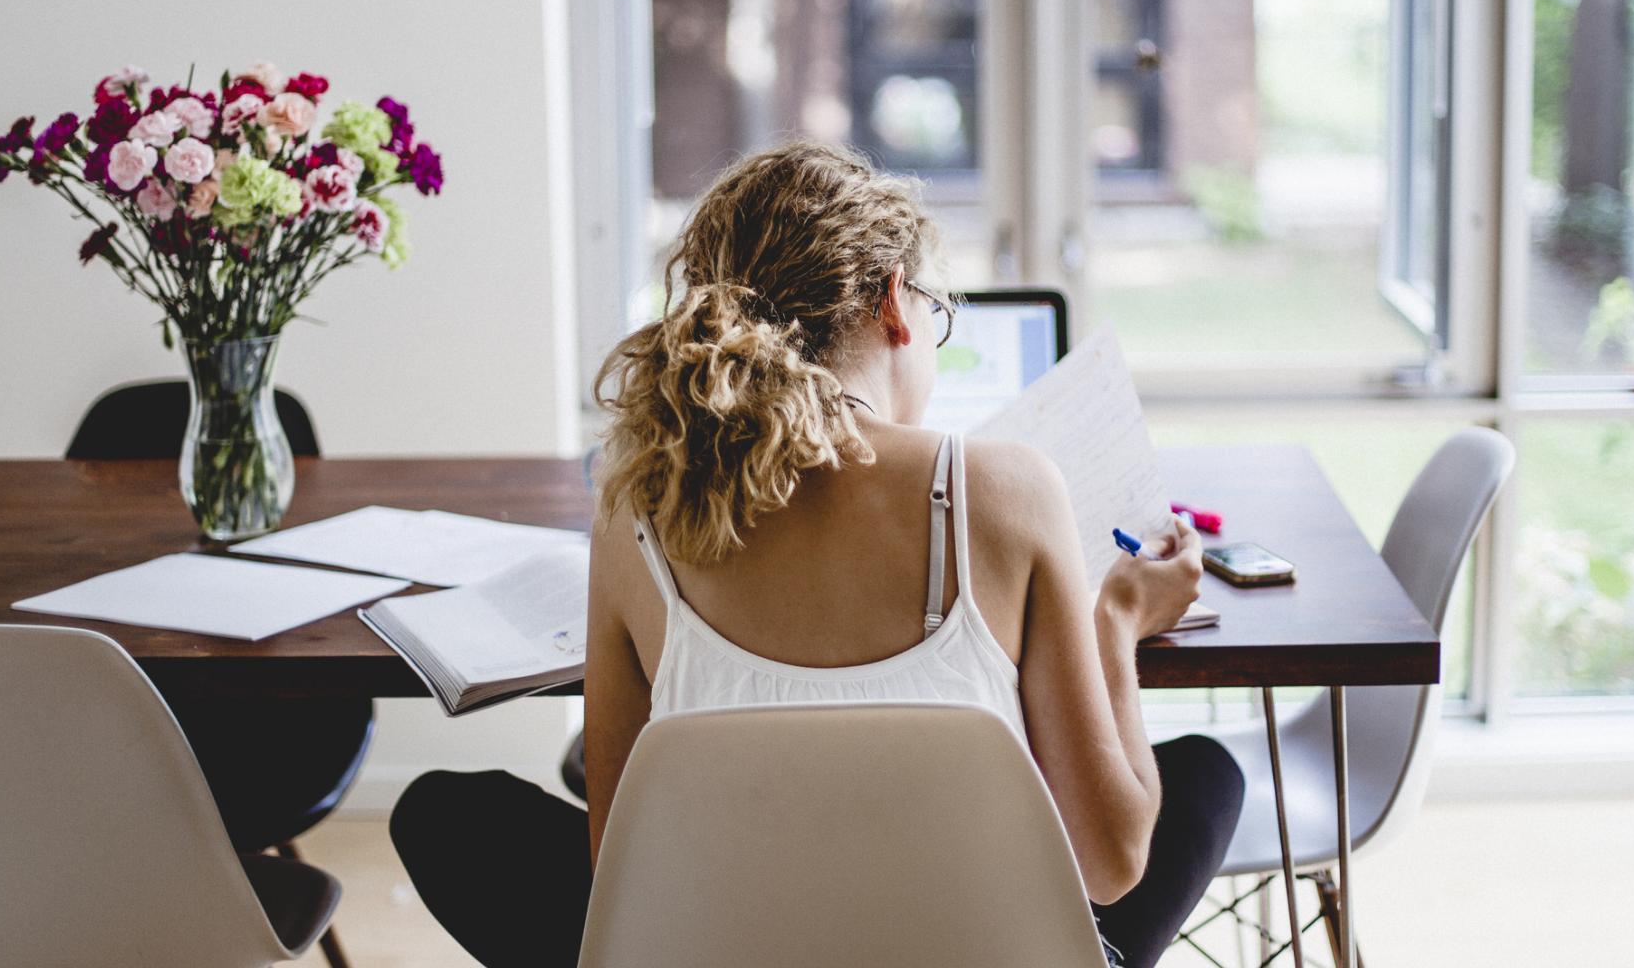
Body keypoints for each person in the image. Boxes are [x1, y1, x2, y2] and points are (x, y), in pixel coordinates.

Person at [389, 142, 1245, 967]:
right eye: (934, 315)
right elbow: (1109, 863)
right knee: (1209, 774)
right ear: (892, 301)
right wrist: (1118, 620)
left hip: (717, 953)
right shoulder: (1012, 488)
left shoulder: (638, 510)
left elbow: (622, 861)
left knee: (443, 812)